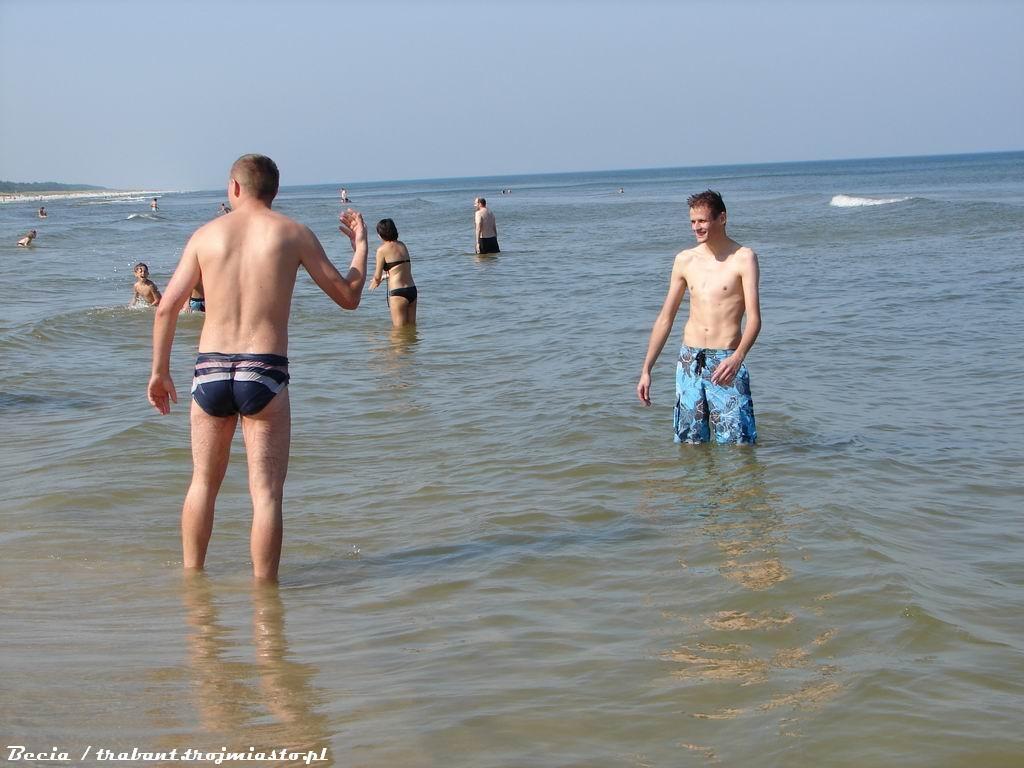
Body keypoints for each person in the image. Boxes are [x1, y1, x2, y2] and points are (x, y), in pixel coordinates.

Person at [147, 154, 368, 582]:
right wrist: (360, 247)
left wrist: (160, 371)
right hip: (263, 369)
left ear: (234, 187)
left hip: (210, 369)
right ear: (275, 191)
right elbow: (348, 297)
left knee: (202, 484)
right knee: (265, 495)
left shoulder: (205, 236)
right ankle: (266, 602)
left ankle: (194, 591)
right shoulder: (293, 233)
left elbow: (166, 308)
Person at [636, 190, 760, 444]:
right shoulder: (685, 260)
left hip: (726, 361)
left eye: (702, 221)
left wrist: (738, 357)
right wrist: (646, 369)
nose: (696, 227)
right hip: (689, 361)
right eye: (693, 222)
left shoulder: (743, 258)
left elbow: (755, 319)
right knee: (690, 443)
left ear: (722, 218)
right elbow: (665, 318)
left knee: (738, 444)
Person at [369, 218, 417, 327]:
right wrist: (384, 276)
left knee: (398, 332)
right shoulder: (402, 245)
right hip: (412, 290)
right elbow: (401, 268)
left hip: (398, 293)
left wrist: (377, 281)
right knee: (412, 328)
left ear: (380, 234)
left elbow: (376, 276)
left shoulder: (382, 250)